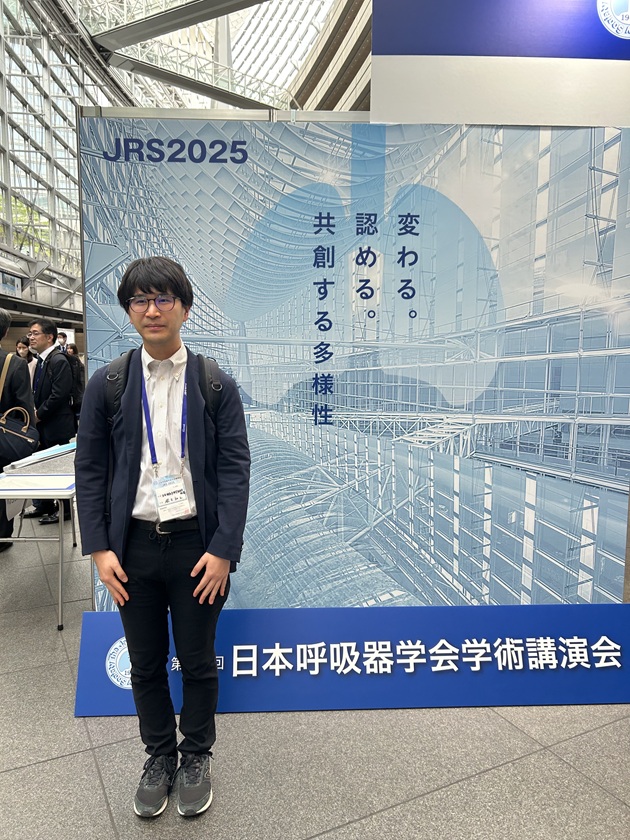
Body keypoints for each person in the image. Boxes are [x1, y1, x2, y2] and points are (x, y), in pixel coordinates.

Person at [75, 256, 250, 820]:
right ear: (128, 311)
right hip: (133, 548)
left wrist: (223, 549)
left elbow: (234, 471)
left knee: (198, 660)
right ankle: (158, 756)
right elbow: (90, 470)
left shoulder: (214, 383)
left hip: (198, 547)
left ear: (184, 308)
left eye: (163, 298)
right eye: (140, 300)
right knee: (145, 663)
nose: (152, 310)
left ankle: (196, 755)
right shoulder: (108, 384)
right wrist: (99, 548)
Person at [24, 318, 74, 524]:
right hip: (45, 424)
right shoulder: (43, 360)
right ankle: (44, 505)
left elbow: (59, 394)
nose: (31, 337)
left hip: (56, 424)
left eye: (35, 333)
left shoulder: (58, 360)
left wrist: (39, 413)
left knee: (58, 469)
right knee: (42, 465)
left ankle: (64, 511)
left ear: (49, 337)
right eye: (30, 333)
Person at [0, 312, 36, 550]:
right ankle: (2, 536)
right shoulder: (13, 363)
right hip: (4, 438)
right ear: (5, 332)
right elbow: (24, 408)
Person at [64, 342, 85, 429]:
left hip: (77, 390)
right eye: (68, 348)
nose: (69, 350)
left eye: (71, 348)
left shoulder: (76, 361)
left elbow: (79, 378)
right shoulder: (68, 360)